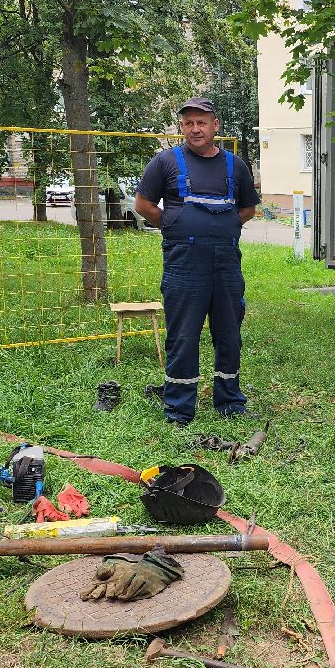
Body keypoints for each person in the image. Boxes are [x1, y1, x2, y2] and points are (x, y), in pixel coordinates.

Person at [135, 97, 260, 425]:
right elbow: (144, 204)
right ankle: (179, 409)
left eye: (201, 122)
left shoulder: (236, 166)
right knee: (183, 335)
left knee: (229, 332)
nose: (195, 129)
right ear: (182, 127)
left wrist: (221, 228)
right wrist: (174, 224)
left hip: (226, 263)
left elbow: (247, 209)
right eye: (188, 123)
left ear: (215, 125)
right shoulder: (165, 162)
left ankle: (230, 401)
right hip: (184, 264)